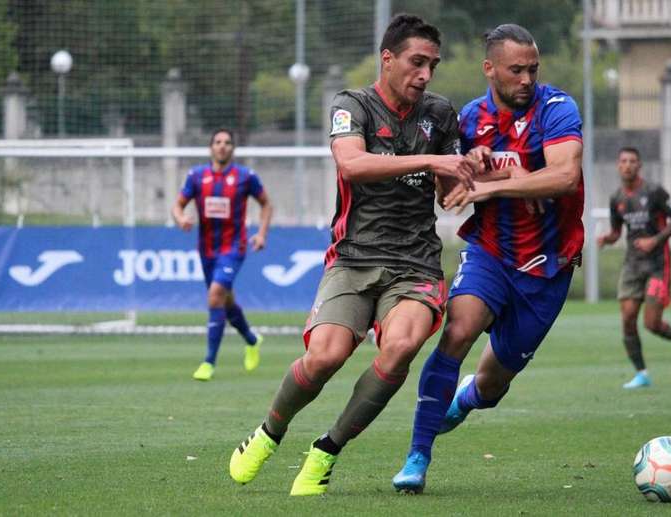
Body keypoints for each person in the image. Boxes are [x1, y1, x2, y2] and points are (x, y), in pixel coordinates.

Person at [228, 14, 480, 497]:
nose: (425, 74)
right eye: (416, 62)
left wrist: (468, 175)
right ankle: (269, 431)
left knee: (402, 346)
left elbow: (449, 192)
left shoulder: (441, 114)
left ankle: (327, 449)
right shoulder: (353, 105)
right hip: (353, 258)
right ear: (388, 59)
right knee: (325, 357)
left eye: (433, 65)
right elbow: (352, 163)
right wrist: (430, 161)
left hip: (415, 263)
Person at [392, 23, 586, 494]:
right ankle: (417, 456)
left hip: (548, 266)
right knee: (457, 331)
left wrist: (500, 179)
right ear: (490, 69)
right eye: (516, 70)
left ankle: (465, 402)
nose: (527, 79)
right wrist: (474, 168)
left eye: (533, 69)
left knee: (493, 384)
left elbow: (563, 176)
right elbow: (453, 192)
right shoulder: (469, 122)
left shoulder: (557, 108)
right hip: (491, 253)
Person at [171, 128, 272, 381]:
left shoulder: (245, 176)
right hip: (206, 249)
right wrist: (181, 218)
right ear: (211, 147)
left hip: (233, 248)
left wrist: (261, 234)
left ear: (232, 148)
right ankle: (251, 339)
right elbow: (177, 205)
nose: (222, 146)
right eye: (218, 142)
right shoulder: (196, 176)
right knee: (224, 301)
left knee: (215, 295)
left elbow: (266, 204)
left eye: (227, 142)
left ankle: (208, 362)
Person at [597, 147, 671, 389]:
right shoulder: (616, 199)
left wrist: (655, 240)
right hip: (632, 265)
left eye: (632, 161)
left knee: (651, 323)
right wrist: (607, 239)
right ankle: (642, 374)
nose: (628, 165)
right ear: (618, 166)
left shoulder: (654, 192)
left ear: (639, 165)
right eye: (623, 161)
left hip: (657, 264)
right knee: (628, 320)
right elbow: (616, 231)